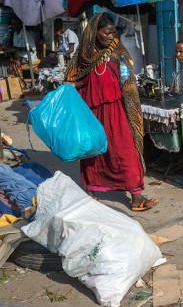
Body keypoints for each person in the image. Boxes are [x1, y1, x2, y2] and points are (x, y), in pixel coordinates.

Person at [65, 13, 158, 211]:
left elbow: (128, 82)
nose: (110, 36)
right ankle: (90, 190)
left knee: (126, 152)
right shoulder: (83, 56)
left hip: (115, 110)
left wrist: (131, 103)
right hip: (91, 112)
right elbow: (72, 78)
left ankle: (136, 196)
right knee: (92, 152)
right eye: (106, 33)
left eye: (113, 32)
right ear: (94, 33)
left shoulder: (118, 52)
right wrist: (74, 84)